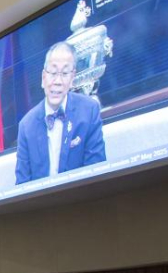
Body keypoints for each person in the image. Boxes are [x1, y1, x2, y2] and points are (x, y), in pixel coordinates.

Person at [15, 41, 106, 185]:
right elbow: (22, 186)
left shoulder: (89, 110)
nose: (57, 81)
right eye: (52, 73)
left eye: (64, 73)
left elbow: (97, 173)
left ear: (72, 78)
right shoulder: (26, 126)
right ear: (43, 78)